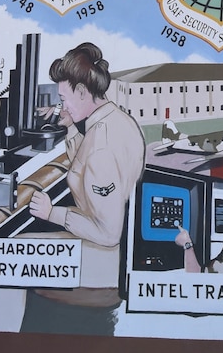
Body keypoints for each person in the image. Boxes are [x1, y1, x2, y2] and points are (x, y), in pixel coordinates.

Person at [25, 42, 144, 308]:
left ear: (81, 91)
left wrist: (52, 213)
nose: (61, 105)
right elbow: (88, 163)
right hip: (115, 248)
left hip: (105, 258)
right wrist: (69, 127)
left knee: (12, 253)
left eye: (64, 99)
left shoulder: (100, 146)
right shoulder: (115, 121)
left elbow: (109, 233)